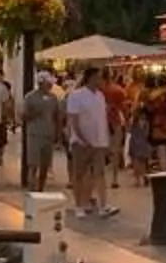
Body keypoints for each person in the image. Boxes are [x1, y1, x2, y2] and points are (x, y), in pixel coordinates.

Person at [63, 67, 113, 217]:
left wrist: (105, 140)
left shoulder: (100, 96)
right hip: (81, 142)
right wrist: (82, 138)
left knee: (99, 173)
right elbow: (74, 120)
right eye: (98, 78)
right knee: (80, 173)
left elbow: (101, 120)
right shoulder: (76, 96)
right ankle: (79, 205)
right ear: (90, 78)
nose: (101, 81)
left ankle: (102, 204)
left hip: (98, 142)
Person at [21, 71, 64, 191]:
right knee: (33, 163)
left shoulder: (53, 98)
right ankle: (32, 186)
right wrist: (35, 113)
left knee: (45, 164)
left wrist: (58, 134)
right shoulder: (30, 97)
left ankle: (41, 187)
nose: (50, 85)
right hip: (34, 134)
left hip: (48, 134)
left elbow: (57, 116)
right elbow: (24, 116)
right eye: (47, 83)